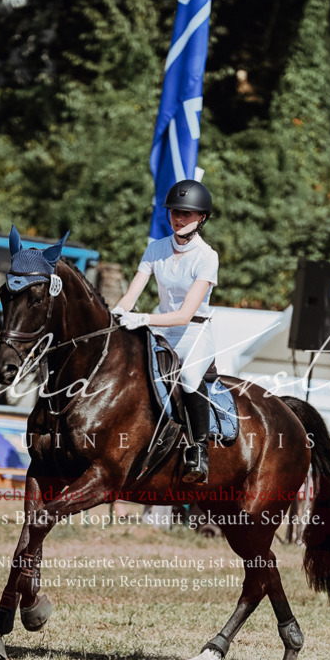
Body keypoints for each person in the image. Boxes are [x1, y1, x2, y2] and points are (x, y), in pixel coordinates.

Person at [112, 179, 218, 483]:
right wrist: (118, 314)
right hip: (159, 329)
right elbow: (131, 296)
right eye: (175, 212)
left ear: (202, 218)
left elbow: (185, 315)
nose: (178, 218)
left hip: (193, 332)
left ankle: (198, 451)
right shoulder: (155, 248)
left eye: (187, 213)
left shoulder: (207, 257)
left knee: (187, 377)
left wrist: (143, 319)